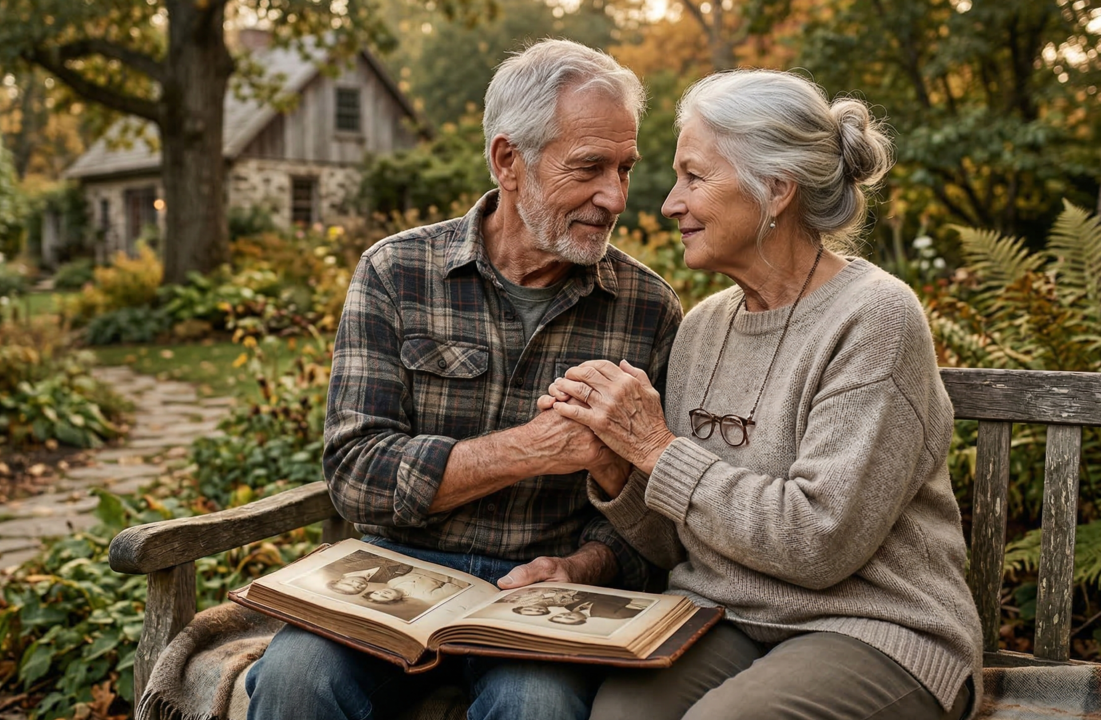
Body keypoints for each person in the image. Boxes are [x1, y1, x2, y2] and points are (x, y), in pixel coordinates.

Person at [244, 39, 683, 720]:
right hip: (392, 574)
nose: (616, 196)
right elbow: (355, 473)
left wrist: (582, 567)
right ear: (508, 161)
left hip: (542, 598)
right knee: (297, 678)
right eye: (589, 167)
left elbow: (653, 524)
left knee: (537, 707)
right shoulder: (397, 272)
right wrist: (532, 449)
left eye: (625, 168)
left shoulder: (647, 308)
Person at [541, 69, 982, 719]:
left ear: (776, 188)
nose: (669, 203)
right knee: (620, 715)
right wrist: (618, 465)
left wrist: (657, 449)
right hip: (727, 618)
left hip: (875, 626)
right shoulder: (703, 328)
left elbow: (820, 541)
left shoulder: (874, 318)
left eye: (694, 177)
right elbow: (677, 545)